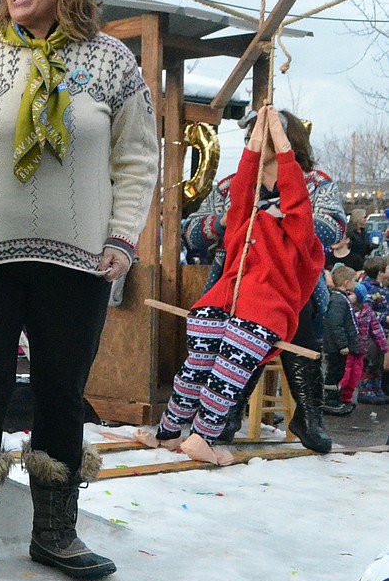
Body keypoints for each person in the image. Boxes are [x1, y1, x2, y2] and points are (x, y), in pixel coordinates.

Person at [0, 0, 158, 581]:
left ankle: (56, 533)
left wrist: (123, 238)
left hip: (80, 263)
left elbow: (138, 155)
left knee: (62, 394)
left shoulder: (114, 62)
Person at [143, 107, 323, 464]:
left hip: (237, 302)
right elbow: (214, 215)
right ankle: (201, 438)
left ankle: (169, 431)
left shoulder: (309, 191)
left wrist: (277, 144)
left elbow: (308, 212)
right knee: (224, 370)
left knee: (204, 365)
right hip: (243, 302)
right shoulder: (244, 205)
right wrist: (259, 143)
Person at [183, 108, 342, 453]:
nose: (254, 139)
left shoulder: (316, 183)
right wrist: (225, 221)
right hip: (235, 282)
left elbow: (334, 227)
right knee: (231, 321)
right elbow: (191, 232)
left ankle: (309, 415)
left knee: (294, 319)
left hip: (292, 286)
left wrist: (285, 218)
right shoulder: (231, 184)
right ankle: (224, 415)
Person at [323, 265, 360, 415]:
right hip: (336, 347)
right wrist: (343, 344)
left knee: (338, 372)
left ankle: (334, 399)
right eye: (354, 281)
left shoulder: (341, 298)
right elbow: (335, 324)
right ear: (346, 283)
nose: (355, 284)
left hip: (337, 345)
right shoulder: (339, 300)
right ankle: (330, 400)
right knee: (334, 372)